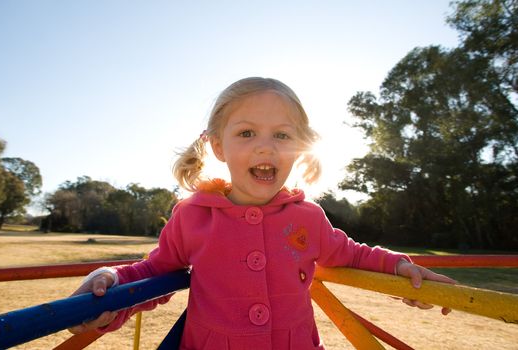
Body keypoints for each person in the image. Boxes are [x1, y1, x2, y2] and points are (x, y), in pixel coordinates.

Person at [69, 77, 455, 349]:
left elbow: (353, 254)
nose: (265, 148)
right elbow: (155, 273)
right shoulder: (192, 217)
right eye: (247, 133)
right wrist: (110, 283)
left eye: (282, 135)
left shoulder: (307, 217)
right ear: (218, 146)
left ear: (299, 147)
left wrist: (402, 268)